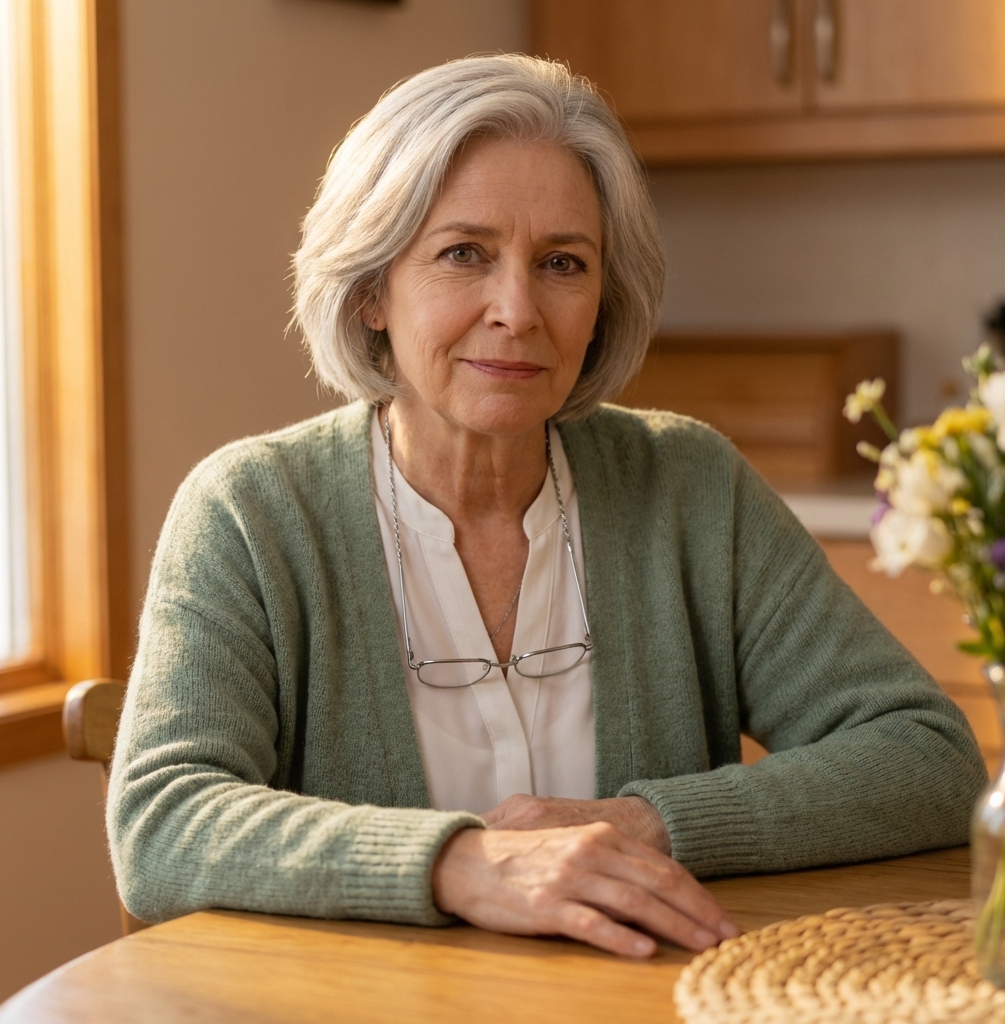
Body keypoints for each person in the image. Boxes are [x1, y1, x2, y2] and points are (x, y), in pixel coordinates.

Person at [108, 54, 985, 959]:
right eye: (463, 254)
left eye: (562, 263)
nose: (518, 309)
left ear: (601, 302)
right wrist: (463, 864)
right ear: (372, 288)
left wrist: (646, 823)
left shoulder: (691, 487)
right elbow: (163, 824)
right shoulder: (249, 512)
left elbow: (927, 757)